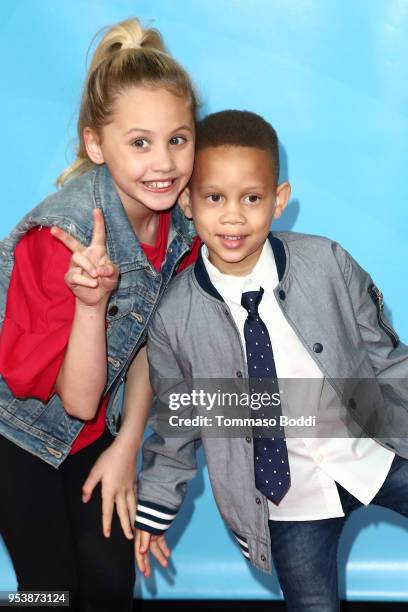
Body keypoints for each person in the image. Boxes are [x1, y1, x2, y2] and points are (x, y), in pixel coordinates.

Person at [134, 110, 408, 611]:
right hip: (286, 501)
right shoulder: (174, 317)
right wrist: (155, 508)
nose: (233, 216)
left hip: (371, 455)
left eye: (252, 199)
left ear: (278, 200)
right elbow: (176, 426)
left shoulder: (328, 262)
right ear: (187, 202)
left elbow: (386, 359)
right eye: (214, 198)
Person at [0, 17, 200, 612]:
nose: (163, 162)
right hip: (20, 434)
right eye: (139, 142)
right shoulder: (60, 238)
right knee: (47, 592)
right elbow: (79, 400)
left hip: (98, 434)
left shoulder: (178, 226)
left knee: (112, 587)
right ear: (95, 145)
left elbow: (148, 346)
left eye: (178, 139)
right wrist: (91, 306)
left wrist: (127, 446)